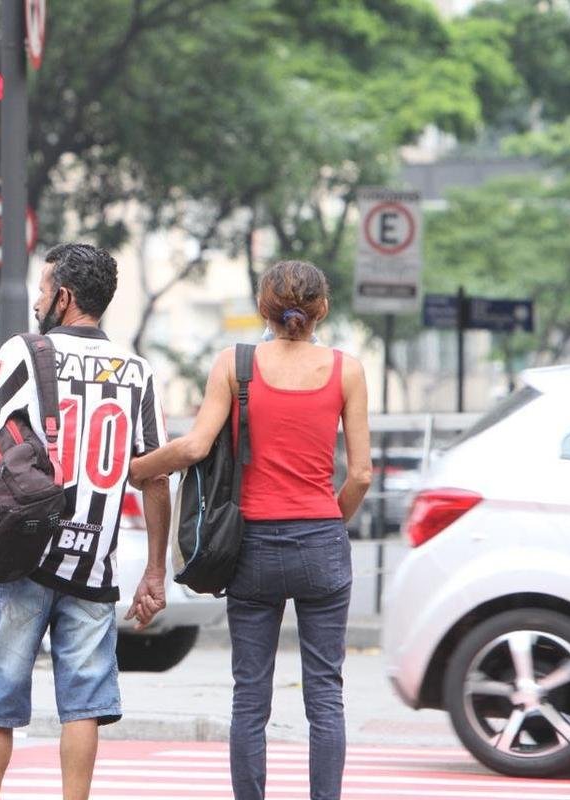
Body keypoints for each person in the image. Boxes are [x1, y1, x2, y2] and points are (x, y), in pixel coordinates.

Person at [130, 260, 372, 800]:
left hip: (253, 548)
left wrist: (139, 469)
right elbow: (360, 475)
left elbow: (193, 448)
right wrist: (329, 521)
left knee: (250, 695)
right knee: (326, 694)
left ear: (263, 309)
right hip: (321, 545)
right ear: (322, 310)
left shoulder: (235, 364)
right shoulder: (346, 370)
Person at [0, 243, 172, 800]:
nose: (39, 300)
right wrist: (156, 572)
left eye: (44, 291)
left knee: (2, 697)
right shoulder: (138, 372)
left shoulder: (26, 353)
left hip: (24, 557)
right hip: (94, 564)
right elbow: (157, 479)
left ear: (64, 297)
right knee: (84, 704)